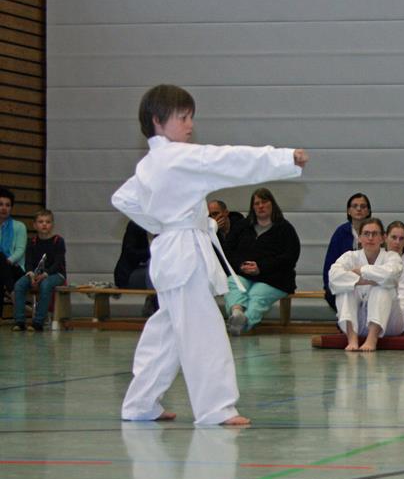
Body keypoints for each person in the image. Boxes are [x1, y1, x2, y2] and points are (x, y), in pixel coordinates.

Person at [111, 84, 308, 426]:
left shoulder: (149, 164)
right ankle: (216, 408)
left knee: (166, 333)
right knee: (204, 331)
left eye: (191, 117)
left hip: (171, 251)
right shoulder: (180, 157)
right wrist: (284, 158)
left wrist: (164, 222)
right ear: (158, 120)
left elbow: (123, 199)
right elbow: (230, 160)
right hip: (184, 253)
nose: (190, 125)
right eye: (183, 117)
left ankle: (140, 404)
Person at [223, 188, 301, 335]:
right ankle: (237, 312)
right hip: (244, 274)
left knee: (257, 295)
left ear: (272, 204)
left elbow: (290, 257)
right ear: (252, 207)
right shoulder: (242, 226)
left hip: (274, 279)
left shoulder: (285, 229)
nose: (260, 206)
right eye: (256, 203)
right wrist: (240, 265)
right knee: (233, 283)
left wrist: (261, 268)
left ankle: (242, 324)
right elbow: (228, 252)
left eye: (264, 202)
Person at [328, 218, 404, 351]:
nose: (370, 238)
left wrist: (361, 271)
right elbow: (333, 277)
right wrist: (368, 280)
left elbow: (390, 275)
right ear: (359, 238)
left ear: (383, 238)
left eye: (375, 234)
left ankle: (372, 339)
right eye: (366, 233)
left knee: (381, 288)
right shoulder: (350, 257)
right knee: (345, 289)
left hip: (389, 323)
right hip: (359, 322)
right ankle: (352, 339)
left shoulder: (392, 257)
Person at [11, 210, 66, 331]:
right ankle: (20, 321)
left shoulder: (58, 241)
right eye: (41, 222)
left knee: (45, 285)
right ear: (35, 225)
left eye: (48, 222)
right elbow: (28, 261)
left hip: (56, 274)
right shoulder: (32, 242)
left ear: (52, 224)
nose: (44, 224)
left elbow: (58, 263)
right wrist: (31, 274)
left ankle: (38, 322)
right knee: (19, 285)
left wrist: (46, 274)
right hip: (36, 274)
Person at [322, 193, 372, 309]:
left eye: (363, 206)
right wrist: (329, 285)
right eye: (355, 206)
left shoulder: (375, 232)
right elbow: (329, 264)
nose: (359, 209)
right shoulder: (341, 233)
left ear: (368, 211)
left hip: (368, 282)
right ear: (349, 211)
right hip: (345, 282)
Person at [0, 186, 27, 313]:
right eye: (0, 204)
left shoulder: (19, 226)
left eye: (7, 205)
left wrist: (9, 260)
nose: (4, 208)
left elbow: (20, 250)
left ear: (11, 208)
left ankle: (11, 290)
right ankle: (13, 291)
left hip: (15, 268)